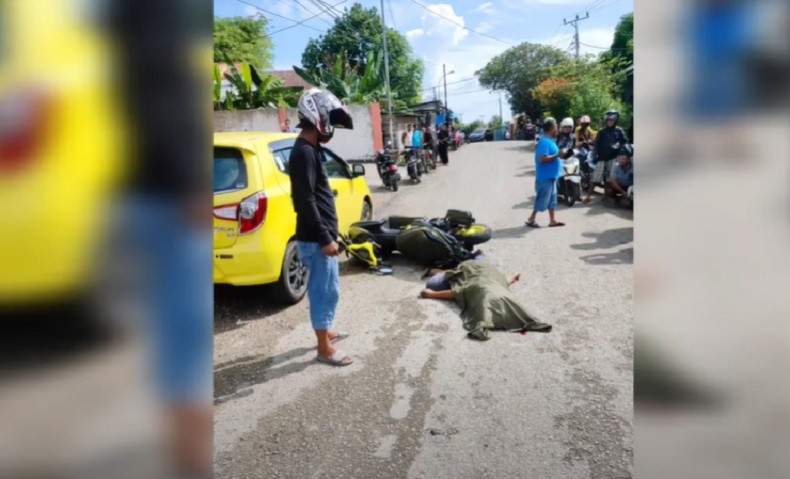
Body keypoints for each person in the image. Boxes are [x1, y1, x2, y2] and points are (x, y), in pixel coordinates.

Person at [289, 88, 355, 366]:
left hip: (320, 236)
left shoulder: (312, 149)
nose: (332, 128)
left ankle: (326, 331)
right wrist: (326, 237)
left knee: (330, 289)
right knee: (322, 291)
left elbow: (318, 195)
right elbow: (304, 200)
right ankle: (324, 349)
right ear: (317, 116)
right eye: (331, 120)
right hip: (316, 239)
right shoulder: (304, 153)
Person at [582, 110, 629, 204]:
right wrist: (594, 156)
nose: (610, 122)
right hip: (602, 157)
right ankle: (588, 196)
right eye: (608, 120)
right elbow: (596, 145)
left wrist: (618, 146)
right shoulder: (602, 131)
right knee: (595, 178)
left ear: (615, 121)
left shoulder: (619, 131)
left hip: (614, 158)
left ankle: (606, 197)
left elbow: (625, 142)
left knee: (609, 179)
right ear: (606, 121)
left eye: (612, 120)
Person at [526, 120, 565, 228]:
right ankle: (531, 219)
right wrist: (557, 155)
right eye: (556, 128)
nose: (557, 130)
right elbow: (542, 159)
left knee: (552, 200)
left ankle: (552, 220)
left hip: (551, 177)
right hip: (544, 178)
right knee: (542, 200)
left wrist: (562, 155)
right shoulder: (544, 142)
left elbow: (555, 155)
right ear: (552, 129)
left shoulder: (551, 141)